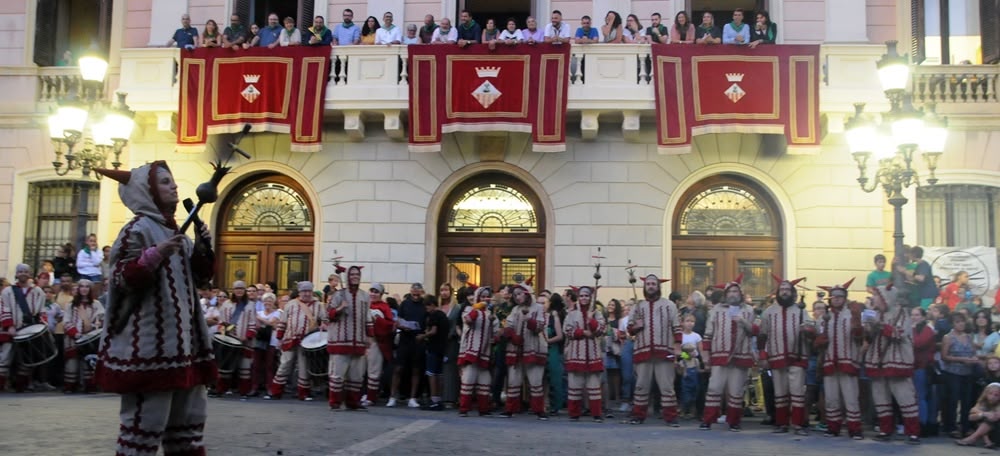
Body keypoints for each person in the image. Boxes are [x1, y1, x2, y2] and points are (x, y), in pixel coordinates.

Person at [93, 162, 216, 455]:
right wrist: (155, 254)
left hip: (185, 347)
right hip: (149, 349)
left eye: (172, 181)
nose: (173, 186)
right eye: (164, 182)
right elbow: (121, 279)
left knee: (188, 426)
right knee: (144, 427)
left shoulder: (179, 234)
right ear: (145, 191)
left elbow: (199, 278)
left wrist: (201, 248)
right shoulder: (135, 230)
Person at [864, 284, 921, 443]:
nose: (873, 299)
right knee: (880, 398)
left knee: (905, 398)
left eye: (877, 296)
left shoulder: (901, 312)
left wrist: (880, 325)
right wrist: (868, 327)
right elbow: (868, 338)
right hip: (877, 362)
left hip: (897, 361)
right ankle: (885, 430)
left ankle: (913, 432)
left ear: (886, 298)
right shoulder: (874, 313)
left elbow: (899, 333)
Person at [700, 275, 757, 431]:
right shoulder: (716, 310)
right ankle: (708, 420)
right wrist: (706, 355)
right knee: (714, 388)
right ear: (726, 294)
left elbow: (755, 331)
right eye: (730, 292)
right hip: (720, 355)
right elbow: (708, 334)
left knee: (736, 391)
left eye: (736, 292)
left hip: (741, 356)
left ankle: (734, 421)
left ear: (740, 294)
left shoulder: (749, 310)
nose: (733, 294)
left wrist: (743, 322)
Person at [758, 275, 813, 435]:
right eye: (782, 290)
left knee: (797, 392)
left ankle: (798, 424)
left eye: (787, 290)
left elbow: (813, 327)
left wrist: (808, 329)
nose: (784, 292)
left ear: (793, 293)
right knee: (780, 393)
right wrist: (763, 356)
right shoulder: (769, 312)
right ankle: (781, 423)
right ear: (777, 292)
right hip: (776, 356)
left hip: (797, 356)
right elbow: (762, 335)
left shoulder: (801, 311)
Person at [627, 274, 682, 426]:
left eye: (653, 284)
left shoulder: (669, 305)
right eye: (648, 284)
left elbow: (677, 327)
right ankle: (638, 415)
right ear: (645, 287)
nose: (651, 286)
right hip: (643, 351)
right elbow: (630, 329)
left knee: (667, 387)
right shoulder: (638, 306)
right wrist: (636, 326)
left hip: (664, 351)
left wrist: (677, 346)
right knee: (641, 386)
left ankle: (671, 417)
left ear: (658, 287)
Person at [815, 278, 865, 439]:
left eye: (839, 296)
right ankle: (833, 427)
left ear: (844, 298)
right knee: (831, 399)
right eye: (833, 297)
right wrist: (818, 341)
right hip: (829, 363)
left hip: (848, 362)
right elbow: (817, 341)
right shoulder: (824, 318)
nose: (836, 299)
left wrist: (857, 324)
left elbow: (859, 337)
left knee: (851, 398)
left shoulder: (852, 314)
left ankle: (855, 429)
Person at [268, 281, 325, 400]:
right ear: (299, 292)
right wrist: (279, 337)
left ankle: (303, 393)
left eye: (309, 291)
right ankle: (275, 392)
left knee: (304, 368)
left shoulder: (318, 305)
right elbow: (283, 322)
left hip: (307, 341)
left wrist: (323, 326)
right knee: (285, 365)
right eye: (304, 291)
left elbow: (324, 320)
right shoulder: (291, 304)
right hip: (290, 339)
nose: (306, 294)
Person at [326, 265, 371, 410]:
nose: (355, 277)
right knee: (338, 375)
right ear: (347, 277)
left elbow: (367, 317)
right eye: (352, 274)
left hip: (358, 340)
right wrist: (340, 308)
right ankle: (335, 402)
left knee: (356, 376)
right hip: (340, 340)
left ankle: (353, 402)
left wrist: (369, 336)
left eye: (357, 274)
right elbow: (328, 315)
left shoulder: (365, 296)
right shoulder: (339, 295)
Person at [501, 281, 548, 419]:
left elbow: (540, 327)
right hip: (516, 350)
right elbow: (508, 324)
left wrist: (529, 320)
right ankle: (510, 409)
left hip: (533, 348)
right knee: (514, 381)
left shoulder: (538, 308)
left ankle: (539, 410)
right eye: (515, 295)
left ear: (526, 294)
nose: (516, 297)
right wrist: (511, 334)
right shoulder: (515, 310)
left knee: (535, 381)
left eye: (519, 294)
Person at [0, 263, 48, 391]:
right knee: (5, 358)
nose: (23, 273)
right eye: (20, 271)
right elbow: (5, 309)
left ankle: (21, 386)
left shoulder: (38, 292)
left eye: (25, 271)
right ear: (16, 274)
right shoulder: (7, 291)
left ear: (30, 274)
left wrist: (40, 326)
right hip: (11, 329)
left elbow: (42, 311)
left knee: (26, 359)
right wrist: (9, 326)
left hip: (29, 330)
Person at [564, 285, 606, 422]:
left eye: (586, 296)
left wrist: (590, 320)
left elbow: (601, 330)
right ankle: (574, 413)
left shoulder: (597, 313)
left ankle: (596, 413)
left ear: (590, 297)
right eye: (581, 296)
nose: (583, 298)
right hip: (576, 353)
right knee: (575, 385)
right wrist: (582, 332)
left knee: (594, 386)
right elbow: (567, 331)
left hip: (593, 354)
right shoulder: (571, 313)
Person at [458, 287, 499, 416]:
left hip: (485, 352)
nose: (485, 299)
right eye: (482, 296)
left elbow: (496, 332)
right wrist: (477, 307)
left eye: (487, 296)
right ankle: (464, 409)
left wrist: (496, 336)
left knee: (485, 381)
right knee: (468, 379)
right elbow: (468, 321)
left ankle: (483, 409)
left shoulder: (491, 314)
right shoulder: (468, 309)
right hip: (471, 349)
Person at [214, 280, 257, 399]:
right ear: (233, 290)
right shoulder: (226, 304)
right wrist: (224, 334)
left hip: (244, 342)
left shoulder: (250, 305)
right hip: (228, 341)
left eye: (242, 289)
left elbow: (253, 324)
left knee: (245, 368)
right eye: (237, 289)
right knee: (225, 368)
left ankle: (244, 392)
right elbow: (221, 323)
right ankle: (221, 390)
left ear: (244, 291)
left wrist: (246, 337)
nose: (239, 291)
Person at [388, 283, 427, 408]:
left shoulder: (425, 305)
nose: (415, 296)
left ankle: (413, 397)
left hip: (418, 339)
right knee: (398, 368)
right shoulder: (405, 304)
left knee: (416, 370)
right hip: (405, 338)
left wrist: (424, 334)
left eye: (417, 293)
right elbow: (398, 321)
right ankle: (392, 396)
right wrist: (402, 326)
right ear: (410, 292)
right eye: (413, 293)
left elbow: (428, 321)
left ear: (421, 292)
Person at [62, 278, 103, 393]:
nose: (84, 289)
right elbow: (66, 322)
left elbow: (101, 319)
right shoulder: (71, 305)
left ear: (90, 289)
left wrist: (94, 328)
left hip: (89, 340)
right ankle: (70, 387)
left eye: (87, 286)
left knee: (88, 365)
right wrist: (75, 334)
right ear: (78, 289)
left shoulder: (96, 304)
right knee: (71, 365)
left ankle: (89, 387)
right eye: (82, 286)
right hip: (73, 339)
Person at [942, 312, 978, 438]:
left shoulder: (968, 337)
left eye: (962, 321)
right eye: (957, 322)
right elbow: (944, 356)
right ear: (952, 323)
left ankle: (965, 426)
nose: (961, 324)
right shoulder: (948, 337)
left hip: (967, 372)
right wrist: (961, 360)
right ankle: (951, 427)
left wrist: (973, 358)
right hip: (953, 372)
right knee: (953, 400)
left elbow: (973, 352)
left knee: (967, 401)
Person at [363, 283, 394, 406]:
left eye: (376, 292)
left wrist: (378, 320)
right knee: (359, 370)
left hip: (376, 342)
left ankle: (371, 397)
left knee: (373, 370)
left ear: (380, 294)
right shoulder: (364, 305)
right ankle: (361, 394)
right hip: (362, 341)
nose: (373, 294)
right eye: (371, 291)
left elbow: (389, 325)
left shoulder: (385, 307)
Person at [419, 294, 449, 410]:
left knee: (431, 374)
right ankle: (439, 399)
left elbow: (433, 331)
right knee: (439, 374)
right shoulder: (443, 315)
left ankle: (433, 399)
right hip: (442, 348)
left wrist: (422, 336)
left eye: (427, 307)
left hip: (433, 347)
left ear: (431, 305)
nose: (426, 310)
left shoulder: (434, 315)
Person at [912, 307, 938, 436]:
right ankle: (925, 423)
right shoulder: (914, 329)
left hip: (923, 367)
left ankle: (923, 424)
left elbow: (918, 343)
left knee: (922, 397)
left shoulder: (927, 330)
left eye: (917, 315)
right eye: (912, 315)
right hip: (915, 366)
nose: (914, 317)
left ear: (923, 317)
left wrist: (907, 339)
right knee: (922, 397)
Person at [956, 383, 1000, 447]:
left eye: (996, 395)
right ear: (986, 393)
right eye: (990, 394)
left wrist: (988, 415)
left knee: (990, 419)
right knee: (981, 417)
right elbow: (971, 415)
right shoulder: (983, 401)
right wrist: (983, 414)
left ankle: (972, 438)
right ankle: (987, 441)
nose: (992, 397)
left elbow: (996, 417)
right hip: (989, 430)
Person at [253, 292, 281, 395]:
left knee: (270, 365)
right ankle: (255, 387)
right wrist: (268, 323)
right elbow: (258, 325)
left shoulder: (277, 313)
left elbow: (272, 323)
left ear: (273, 302)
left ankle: (270, 387)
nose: (267, 303)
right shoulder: (259, 312)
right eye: (265, 301)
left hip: (272, 341)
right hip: (259, 340)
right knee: (256, 365)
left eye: (270, 301)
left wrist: (260, 320)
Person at [545, 293, 567, 415]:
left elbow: (559, 336)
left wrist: (546, 341)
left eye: (546, 302)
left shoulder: (555, 316)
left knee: (554, 378)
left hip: (553, 349)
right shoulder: (542, 316)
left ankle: (556, 405)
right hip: (542, 349)